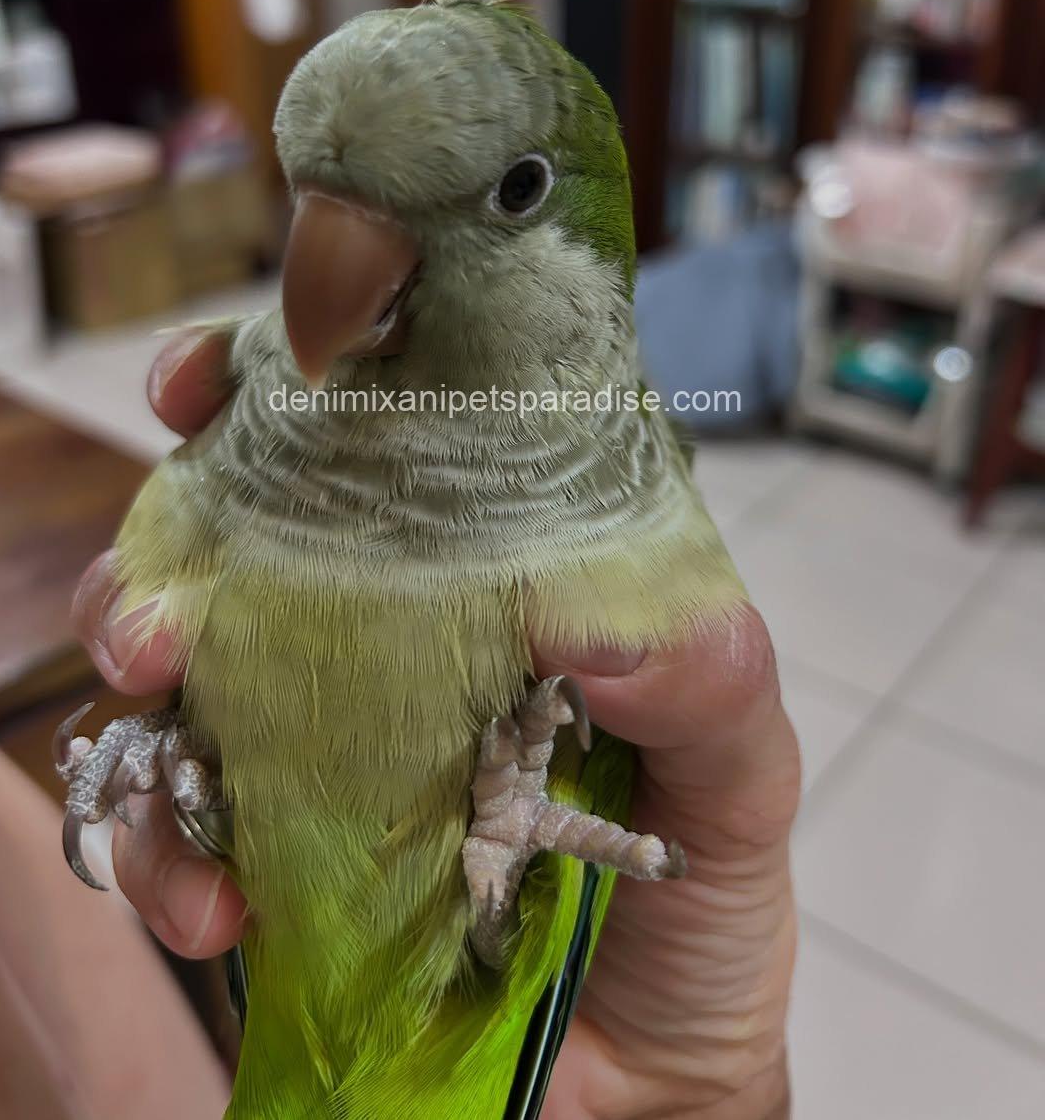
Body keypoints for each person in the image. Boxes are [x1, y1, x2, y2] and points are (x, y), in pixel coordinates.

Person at [68, 326, 801, 1120]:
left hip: (473, 1050)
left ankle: (489, 915)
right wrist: (192, 745)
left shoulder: (594, 492)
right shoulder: (288, 396)